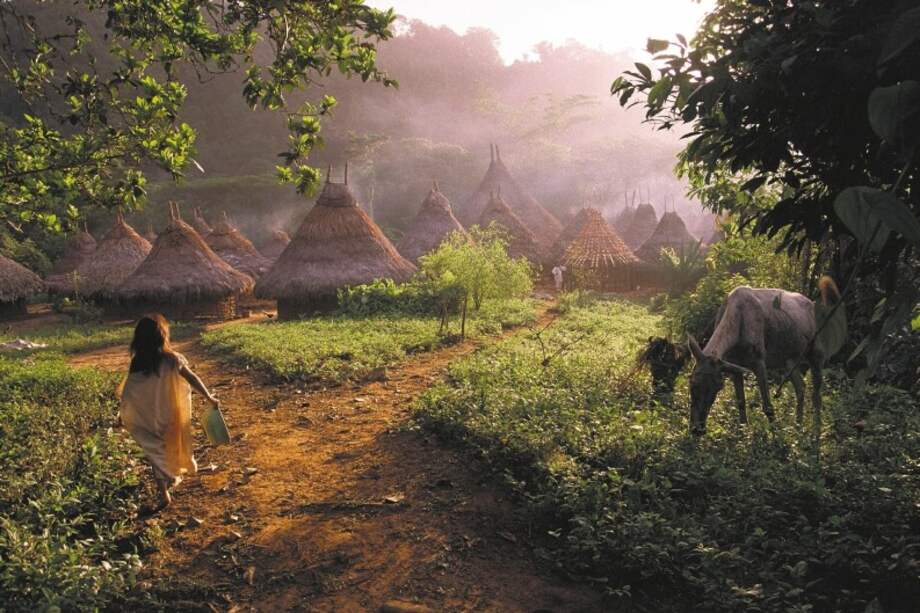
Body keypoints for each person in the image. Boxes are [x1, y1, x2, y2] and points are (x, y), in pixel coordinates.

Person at [119, 314, 219, 509]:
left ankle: (164, 492)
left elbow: (130, 393)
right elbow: (193, 378)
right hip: (170, 416)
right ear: (162, 336)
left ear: (138, 340)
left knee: (154, 453)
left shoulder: (137, 363)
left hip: (146, 418)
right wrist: (208, 397)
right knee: (169, 447)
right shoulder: (172, 359)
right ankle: (171, 477)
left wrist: (122, 413)